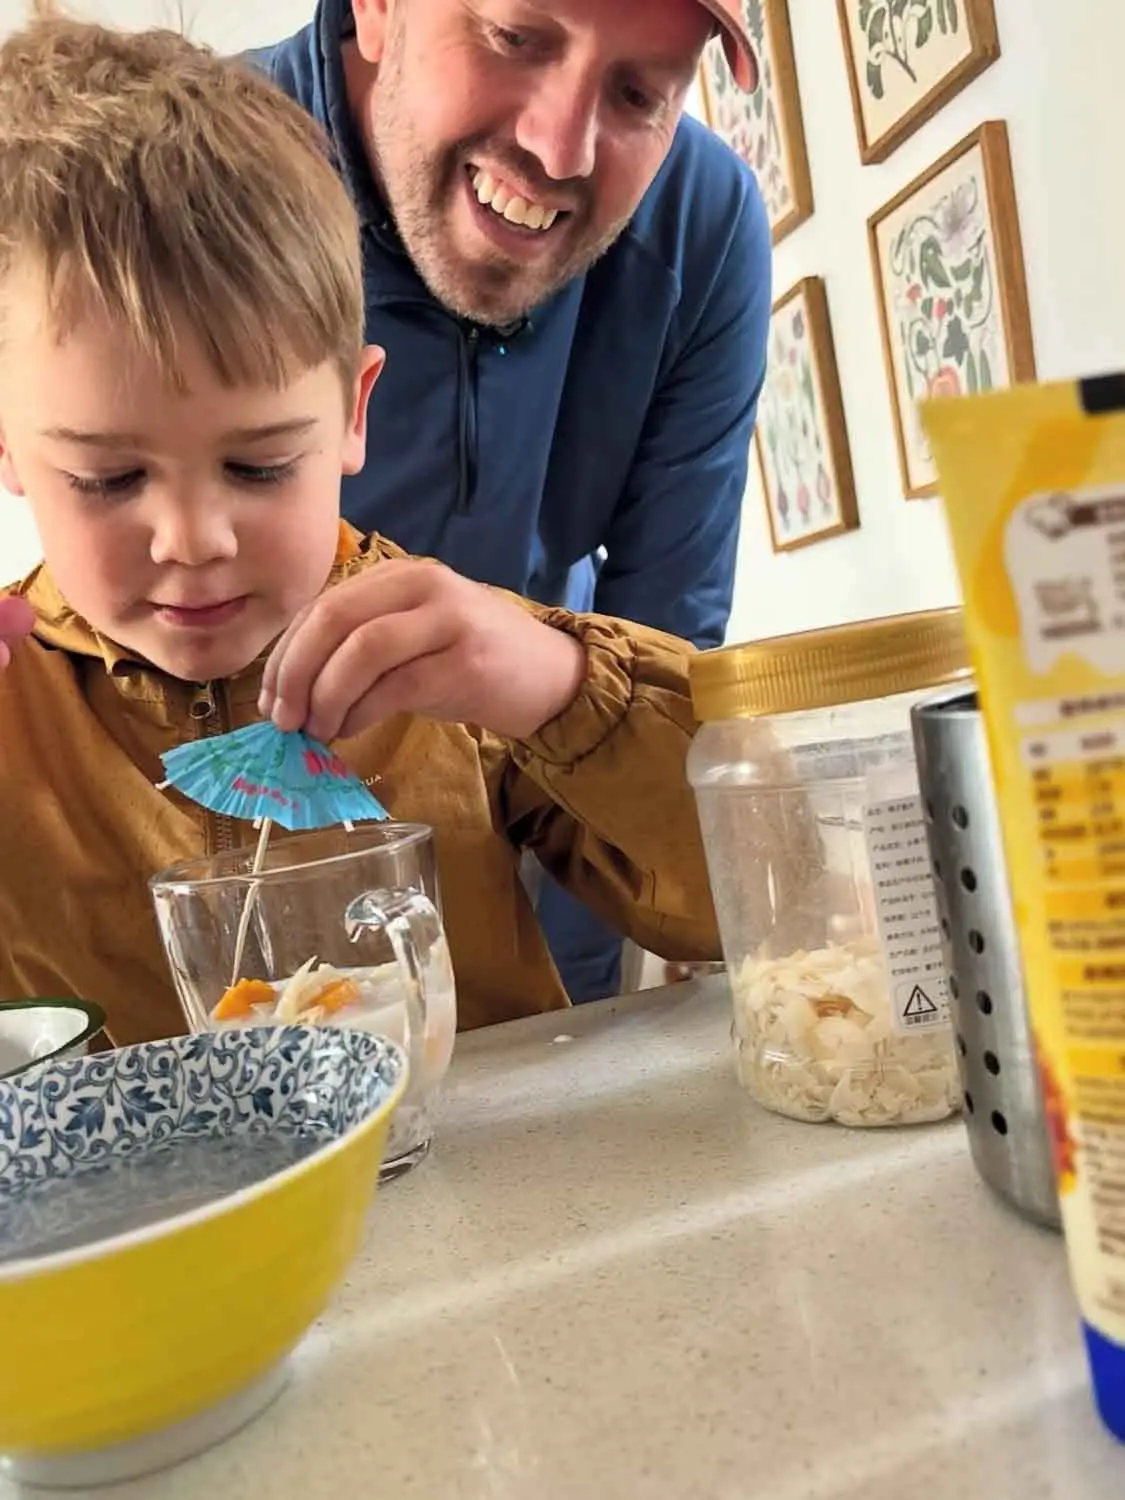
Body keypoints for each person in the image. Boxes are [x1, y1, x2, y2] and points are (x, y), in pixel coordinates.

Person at [0, 13, 720, 1048]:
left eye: (257, 466)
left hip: (494, 1197)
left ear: (352, 415)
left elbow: (739, 895)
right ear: (11, 448)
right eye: (109, 477)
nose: (194, 540)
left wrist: (563, 689)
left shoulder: (453, 663)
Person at [247, 0, 772, 1003]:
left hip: (546, 880)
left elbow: (665, 652)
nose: (558, 149)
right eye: (515, 37)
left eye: (637, 93)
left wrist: (563, 1020)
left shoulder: (703, 230)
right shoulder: (175, 174)